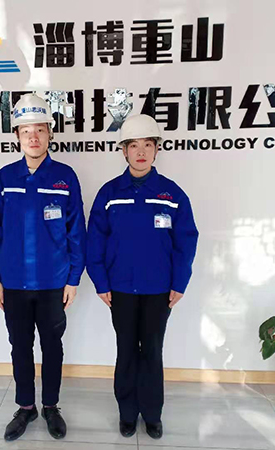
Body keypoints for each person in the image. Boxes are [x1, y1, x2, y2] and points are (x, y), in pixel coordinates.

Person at [0, 93, 86, 441]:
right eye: (26, 131)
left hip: (54, 282)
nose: (34, 137)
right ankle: (26, 406)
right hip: (13, 282)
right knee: (20, 346)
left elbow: (77, 232)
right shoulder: (4, 178)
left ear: (50, 133)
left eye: (40, 130)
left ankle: (51, 405)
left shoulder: (65, 177)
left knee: (52, 347)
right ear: (17, 136)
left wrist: (73, 278)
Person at [86, 114, 199, 439]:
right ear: (123, 151)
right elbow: (95, 240)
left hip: (158, 290)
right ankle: (126, 412)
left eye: (148, 145)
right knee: (125, 350)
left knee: (151, 351)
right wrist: (101, 281)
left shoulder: (171, 194)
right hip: (120, 289)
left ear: (156, 149)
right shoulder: (110, 193)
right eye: (133, 145)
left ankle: (151, 414)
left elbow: (186, 241)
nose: (140, 152)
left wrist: (179, 282)